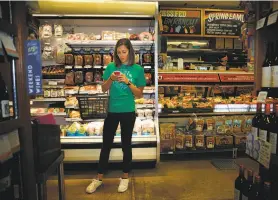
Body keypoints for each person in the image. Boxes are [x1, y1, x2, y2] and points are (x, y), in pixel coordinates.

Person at [86, 38, 146, 193]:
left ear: (130, 51)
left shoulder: (137, 69)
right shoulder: (111, 67)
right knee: (106, 144)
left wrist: (127, 82)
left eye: (124, 52)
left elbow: (139, 94)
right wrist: (111, 79)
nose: (121, 55)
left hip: (128, 111)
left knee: (126, 145)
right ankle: (98, 178)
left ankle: (125, 177)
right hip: (112, 111)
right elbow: (103, 89)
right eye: (119, 52)